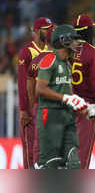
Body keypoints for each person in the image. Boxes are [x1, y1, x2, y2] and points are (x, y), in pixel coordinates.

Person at [34, 24, 95, 169]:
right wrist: (64, 98)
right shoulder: (49, 59)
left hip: (67, 118)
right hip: (50, 116)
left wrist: (87, 108)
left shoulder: (67, 65)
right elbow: (40, 89)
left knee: (73, 162)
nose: (77, 44)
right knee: (50, 163)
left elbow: (71, 95)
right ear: (63, 40)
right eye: (74, 40)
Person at [72, 14, 95, 169]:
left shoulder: (66, 50)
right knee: (82, 153)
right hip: (86, 106)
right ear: (89, 31)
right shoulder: (93, 53)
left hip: (66, 103)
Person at [18, 17, 53, 168]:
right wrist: (24, 110)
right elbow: (22, 82)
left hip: (47, 110)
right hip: (31, 109)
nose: (50, 31)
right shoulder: (26, 52)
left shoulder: (51, 50)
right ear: (38, 31)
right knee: (30, 151)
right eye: (47, 28)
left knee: (44, 151)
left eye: (51, 28)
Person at [27, 26, 55, 164]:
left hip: (40, 106)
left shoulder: (35, 61)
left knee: (39, 142)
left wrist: (33, 105)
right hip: (55, 107)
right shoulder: (60, 60)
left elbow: (29, 85)